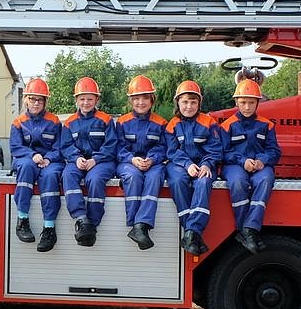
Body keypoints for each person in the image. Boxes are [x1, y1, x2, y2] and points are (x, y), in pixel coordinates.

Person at [219, 79, 281, 253]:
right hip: (234, 165)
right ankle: (244, 229)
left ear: (258, 103)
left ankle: (250, 229)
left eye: (251, 102)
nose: (247, 107)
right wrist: (242, 161)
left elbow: (274, 151)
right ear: (236, 102)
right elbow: (223, 152)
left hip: (260, 166)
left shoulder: (267, 125)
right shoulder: (227, 126)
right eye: (243, 102)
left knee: (266, 179)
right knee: (238, 182)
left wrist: (262, 160)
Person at [165, 81, 222, 256]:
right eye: (185, 102)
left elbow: (216, 149)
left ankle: (192, 231)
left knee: (203, 182)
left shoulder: (208, 122)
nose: (189, 106)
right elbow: (171, 151)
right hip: (179, 164)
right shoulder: (172, 124)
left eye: (193, 102)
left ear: (199, 104)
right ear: (178, 103)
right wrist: (187, 164)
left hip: (204, 163)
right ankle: (192, 233)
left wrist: (207, 164)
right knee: (177, 181)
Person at [61, 77, 118, 247]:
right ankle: (81, 218)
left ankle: (92, 223)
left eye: (90, 99)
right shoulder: (69, 123)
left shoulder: (106, 120)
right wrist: (76, 158)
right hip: (77, 161)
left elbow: (111, 145)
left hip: (102, 162)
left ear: (97, 100)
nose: (86, 103)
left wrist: (96, 159)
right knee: (68, 175)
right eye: (82, 99)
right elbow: (65, 146)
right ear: (76, 100)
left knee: (95, 179)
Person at [11, 78, 65, 252]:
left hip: (51, 161)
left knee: (50, 176)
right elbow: (15, 147)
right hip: (26, 159)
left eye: (40, 100)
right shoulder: (18, 122)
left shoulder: (54, 121)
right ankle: (22, 220)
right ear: (25, 99)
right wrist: (32, 155)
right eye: (32, 99)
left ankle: (49, 228)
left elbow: (59, 147)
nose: (36, 103)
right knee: (26, 167)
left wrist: (48, 158)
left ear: (45, 101)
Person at [116, 75, 169, 250]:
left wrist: (152, 159)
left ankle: (141, 225)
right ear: (131, 101)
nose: (140, 102)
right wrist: (132, 159)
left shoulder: (161, 123)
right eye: (136, 98)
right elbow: (118, 147)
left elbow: (163, 147)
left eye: (145, 98)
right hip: (127, 162)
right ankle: (134, 222)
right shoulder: (122, 122)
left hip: (153, 163)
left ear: (152, 100)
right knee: (133, 176)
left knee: (155, 177)